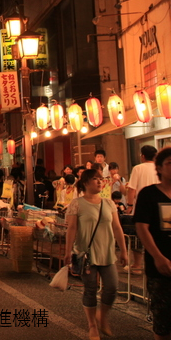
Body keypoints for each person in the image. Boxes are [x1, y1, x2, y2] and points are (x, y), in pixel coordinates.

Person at [64, 169, 128, 340]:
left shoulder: (109, 203)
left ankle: (102, 316)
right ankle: (92, 325)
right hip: (86, 254)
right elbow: (71, 229)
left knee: (112, 287)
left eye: (101, 179)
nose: (99, 182)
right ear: (85, 183)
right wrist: (68, 252)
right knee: (90, 289)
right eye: (95, 179)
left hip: (107, 253)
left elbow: (117, 228)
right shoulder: (76, 204)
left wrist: (123, 250)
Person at [135, 147, 171, 340]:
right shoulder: (149, 194)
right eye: (170, 163)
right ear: (159, 167)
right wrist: (158, 257)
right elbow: (141, 227)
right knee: (163, 323)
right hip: (160, 269)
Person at [126, 144, 159, 272]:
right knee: (155, 235)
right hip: (157, 208)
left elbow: (132, 189)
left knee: (138, 236)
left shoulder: (138, 168)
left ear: (143, 156)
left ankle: (137, 264)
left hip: (141, 207)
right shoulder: (159, 168)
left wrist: (129, 205)